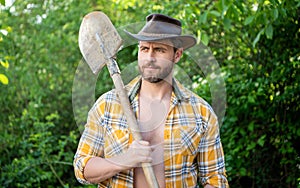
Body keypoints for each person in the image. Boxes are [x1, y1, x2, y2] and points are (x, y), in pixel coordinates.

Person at [74, 13, 229, 188]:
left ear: (177, 55)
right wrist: (124, 160)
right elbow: (82, 167)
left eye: (159, 50)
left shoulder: (201, 113)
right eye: (144, 49)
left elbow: (215, 180)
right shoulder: (107, 105)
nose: (149, 58)